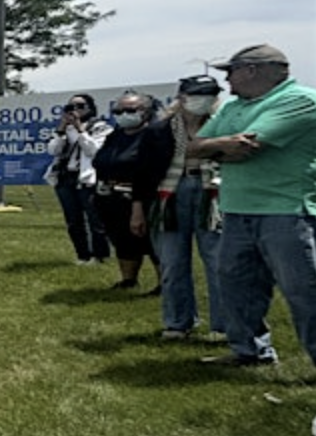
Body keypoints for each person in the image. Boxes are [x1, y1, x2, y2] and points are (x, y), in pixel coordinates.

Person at [189, 44, 316, 368]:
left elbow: (251, 146)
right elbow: (194, 147)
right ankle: (249, 351)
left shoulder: (300, 100)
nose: (227, 81)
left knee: (304, 290)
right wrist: (222, 145)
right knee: (236, 283)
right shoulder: (234, 107)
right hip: (237, 209)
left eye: (230, 72)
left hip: (286, 211)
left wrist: (215, 147)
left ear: (252, 70)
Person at [152, 75, 226, 339]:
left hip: (213, 194)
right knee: (172, 263)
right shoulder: (162, 129)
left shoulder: (225, 125)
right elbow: (146, 170)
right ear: (181, 97)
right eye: (196, 94)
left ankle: (223, 325)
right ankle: (178, 322)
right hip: (172, 193)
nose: (202, 100)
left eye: (209, 94)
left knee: (218, 261)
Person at [90, 92, 175, 291]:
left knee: (151, 240)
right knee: (122, 238)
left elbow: (149, 169)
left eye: (129, 110)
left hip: (143, 195)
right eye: (118, 111)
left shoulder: (155, 135)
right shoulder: (115, 136)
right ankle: (128, 279)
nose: (122, 115)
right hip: (110, 196)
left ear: (145, 112)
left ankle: (164, 283)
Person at [45, 94, 112, 265]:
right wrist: (61, 128)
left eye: (80, 106)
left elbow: (93, 150)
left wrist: (80, 130)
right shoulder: (65, 130)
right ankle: (83, 255)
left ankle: (100, 255)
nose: (75, 110)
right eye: (71, 107)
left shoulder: (101, 128)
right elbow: (53, 150)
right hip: (65, 177)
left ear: (90, 108)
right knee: (73, 220)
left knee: (94, 218)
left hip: (87, 178)